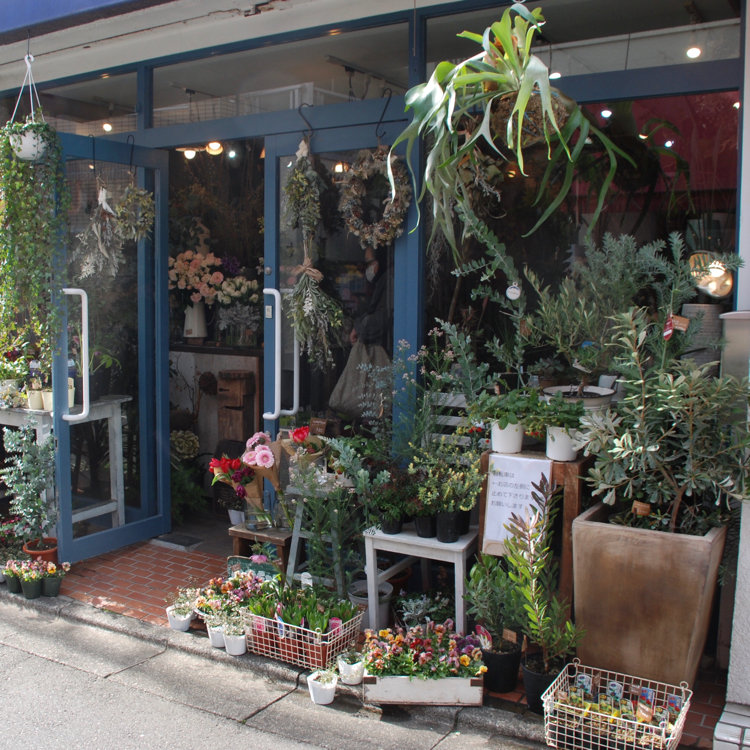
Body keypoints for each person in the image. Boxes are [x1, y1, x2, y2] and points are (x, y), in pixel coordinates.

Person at [349, 246, 392, 353]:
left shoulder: (390, 280)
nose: (368, 268)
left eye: (370, 263)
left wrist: (359, 329)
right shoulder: (379, 282)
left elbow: (384, 316)